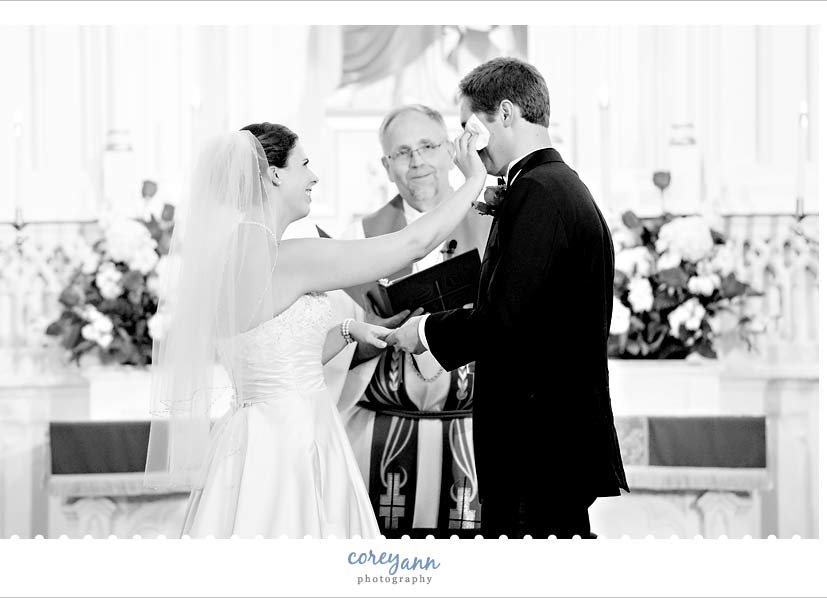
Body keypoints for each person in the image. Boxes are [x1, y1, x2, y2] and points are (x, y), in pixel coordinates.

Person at [144, 122, 486, 539]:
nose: (313, 176)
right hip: (294, 441)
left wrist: (346, 330)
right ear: (274, 174)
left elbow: (271, 355)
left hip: (251, 438)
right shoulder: (291, 257)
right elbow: (412, 244)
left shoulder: (226, 257)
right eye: (303, 164)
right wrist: (474, 180)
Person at [387, 57, 629, 539]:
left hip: (535, 442)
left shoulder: (539, 193)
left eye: (467, 127)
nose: (465, 144)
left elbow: (504, 320)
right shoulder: (554, 185)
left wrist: (424, 331)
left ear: (504, 113)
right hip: (549, 439)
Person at [330, 104, 490, 536]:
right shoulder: (362, 237)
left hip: (478, 435)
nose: (417, 161)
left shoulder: (497, 225)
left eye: (428, 146)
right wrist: (369, 338)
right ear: (386, 165)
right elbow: (329, 341)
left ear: (450, 152)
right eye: (402, 152)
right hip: (382, 437)